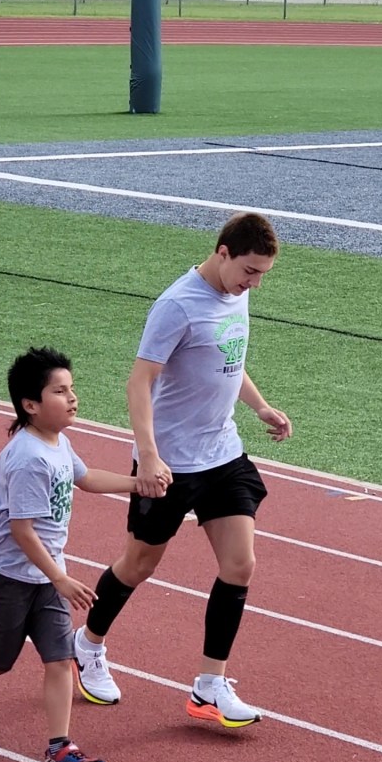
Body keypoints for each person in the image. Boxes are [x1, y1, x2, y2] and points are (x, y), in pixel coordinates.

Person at [74, 212, 292, 727]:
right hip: (171, 462)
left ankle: (210, 686)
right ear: (222, 252)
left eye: (262, 274)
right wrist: (149, 455)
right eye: (250, 271)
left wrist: (260, 406)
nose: (255, 283)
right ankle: (88, 643)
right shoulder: (177, 306)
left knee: (240, 565)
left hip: (223, 453)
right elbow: (139, 381)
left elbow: (227, 360)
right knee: (138, 564)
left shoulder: (238, 292)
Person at [0, 347, 139, 762]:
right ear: (30, 404)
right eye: (59, 391)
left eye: (71, 389)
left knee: (59, 658)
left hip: (48, 575)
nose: (72, 398)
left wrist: (138, 484)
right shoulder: (28, 458)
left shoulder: (58, 443)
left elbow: (86, 478)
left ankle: (60, 751)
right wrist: (62, 578)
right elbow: (21, 530)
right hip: (8, 577)